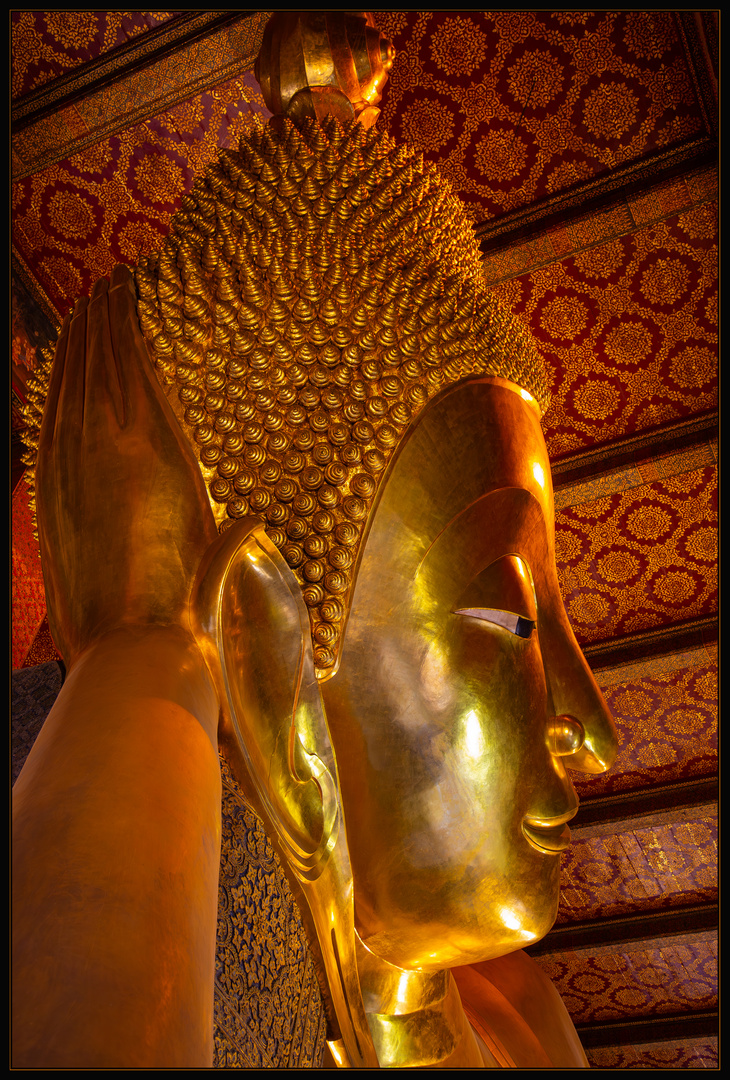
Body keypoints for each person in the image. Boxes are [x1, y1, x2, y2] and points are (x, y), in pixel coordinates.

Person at [13, 12, 618, 1068]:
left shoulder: (525, 1023)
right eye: (512, 617)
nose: (592, 730)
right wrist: (146, 641)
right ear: (275, 678)